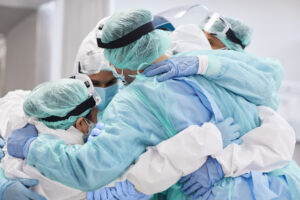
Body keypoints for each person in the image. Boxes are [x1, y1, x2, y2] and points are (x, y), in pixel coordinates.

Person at [6, 9, 298, 200]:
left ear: (118, 62)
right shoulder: (64, 106)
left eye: (113, 79)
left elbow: (92, 169)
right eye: (98, 82)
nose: (106, 92)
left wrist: (225, 161)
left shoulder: (139, 101)